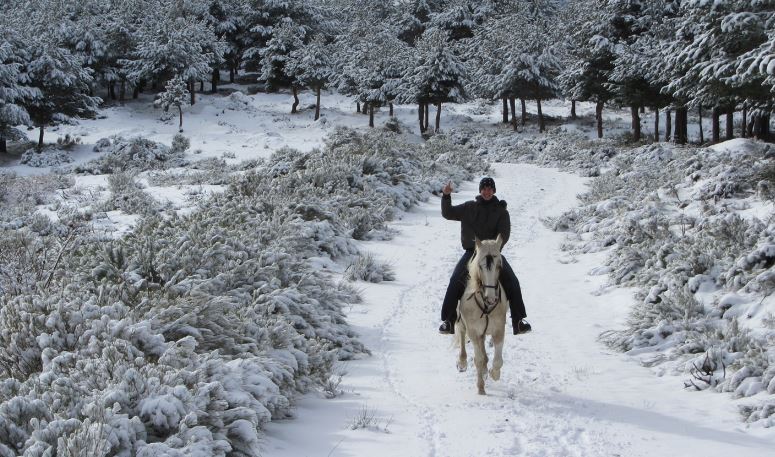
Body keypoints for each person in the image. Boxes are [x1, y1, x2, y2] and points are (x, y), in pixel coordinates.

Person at [438, 176, 532, 335]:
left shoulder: (501, 212)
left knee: (513, 281)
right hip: (472, 253)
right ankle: (448, 320)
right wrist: (446, 196)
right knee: (455, 280)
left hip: (493, 254)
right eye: (484, 188)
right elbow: (448, 213)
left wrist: (494, 248)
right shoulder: (469, 207)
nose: (487, 191)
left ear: (494, 191)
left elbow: (504, 234)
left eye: (490, 189)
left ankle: (518, 321)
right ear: (480, 190)